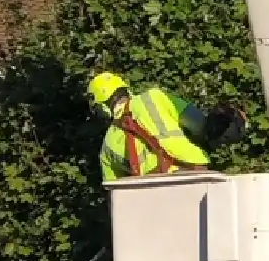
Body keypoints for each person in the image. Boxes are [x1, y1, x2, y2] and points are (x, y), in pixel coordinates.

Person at [88, 72, 247, 183]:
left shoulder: (106, 149)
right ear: (125, 89)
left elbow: (115, 197)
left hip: (155, 191)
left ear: (102, 108)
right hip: (196, 174)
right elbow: (202, 126)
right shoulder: (154, 97)